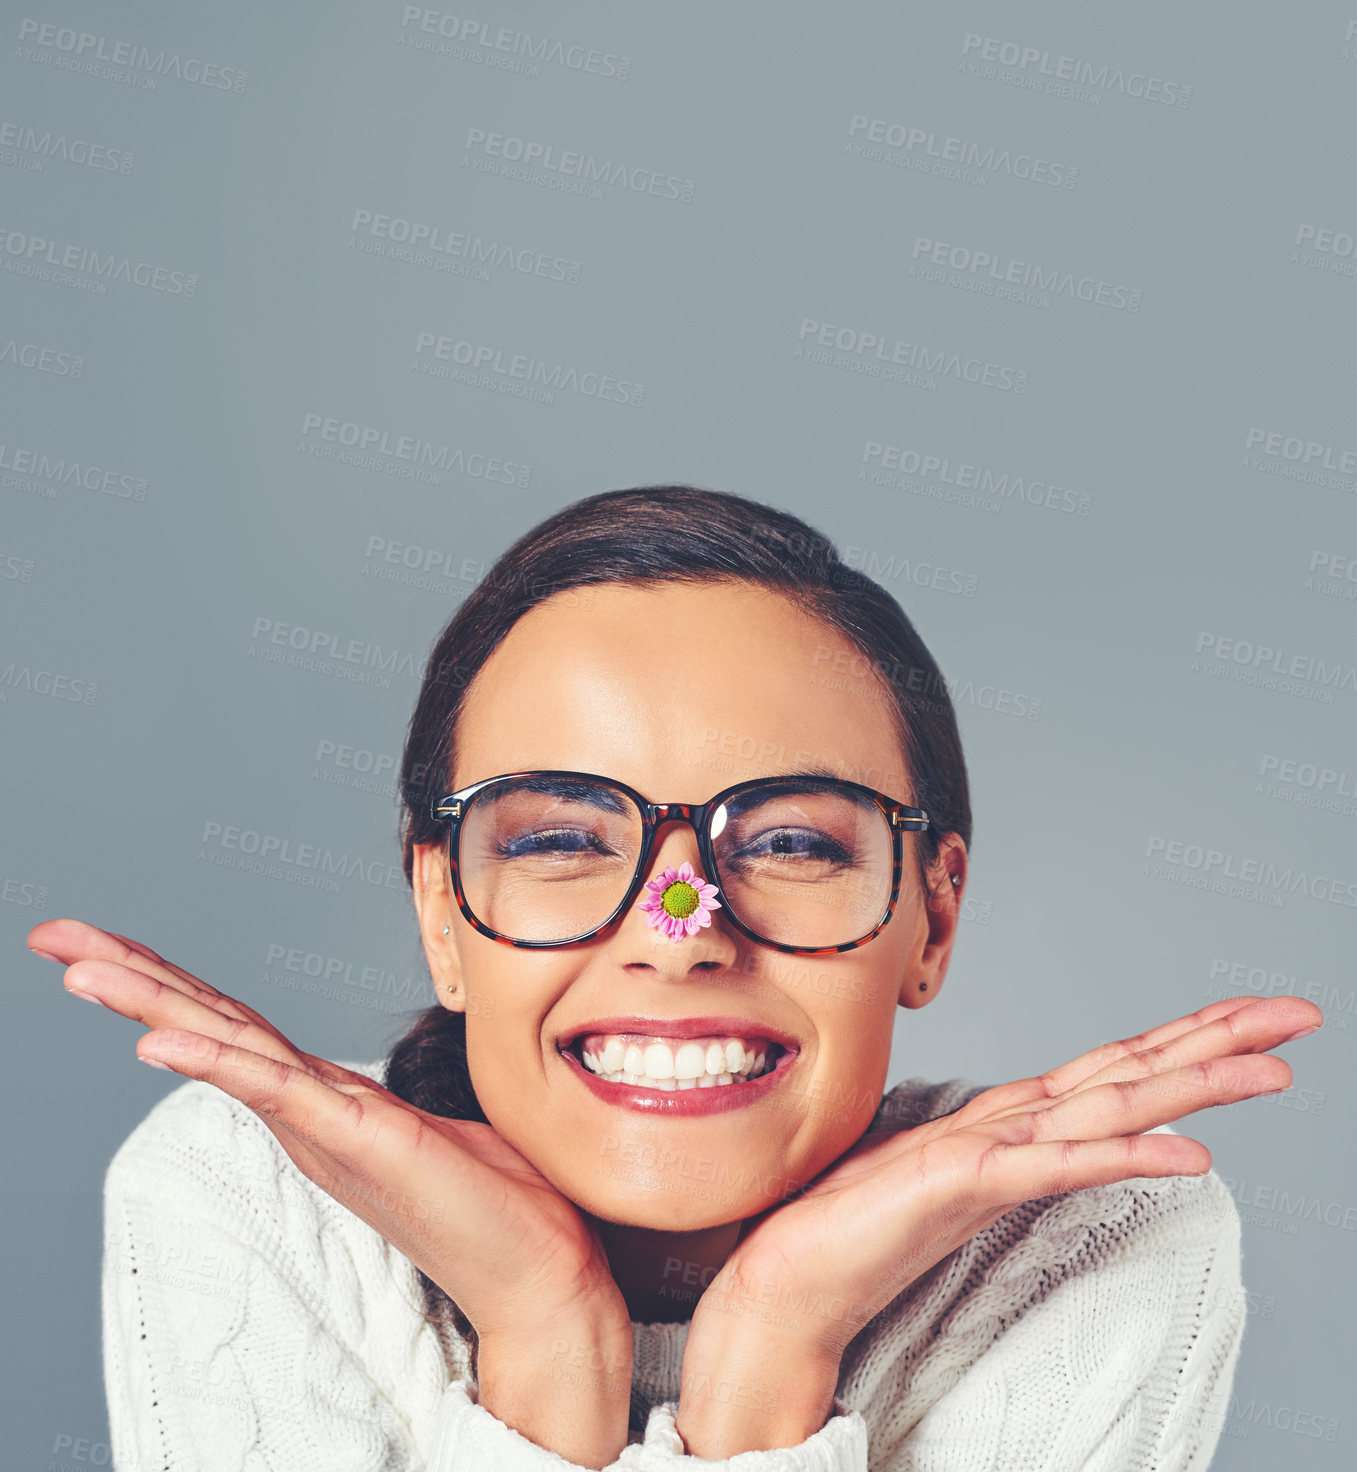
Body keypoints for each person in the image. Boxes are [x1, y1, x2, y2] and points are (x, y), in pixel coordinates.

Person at [29, 485, 1322, 1471]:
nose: (679, 928)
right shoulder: (253, 1192)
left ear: (930, 917)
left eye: (792, 842)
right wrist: (543, 1344)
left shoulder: (1083, 1240)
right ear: (442, 912)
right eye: (558, 839)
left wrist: (770, 1351)